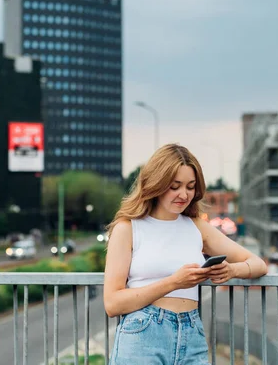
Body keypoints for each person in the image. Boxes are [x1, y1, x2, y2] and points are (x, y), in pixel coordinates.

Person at [104, 143, 267, 364]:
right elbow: (112, 303)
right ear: (156, 184)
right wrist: (173, 282)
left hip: (192, 333)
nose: (184, 194)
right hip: (143, 334)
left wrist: (231, 270)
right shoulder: (128, 228)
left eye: (190, 186)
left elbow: (257, 263)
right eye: (175, 186)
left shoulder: (197, 226)